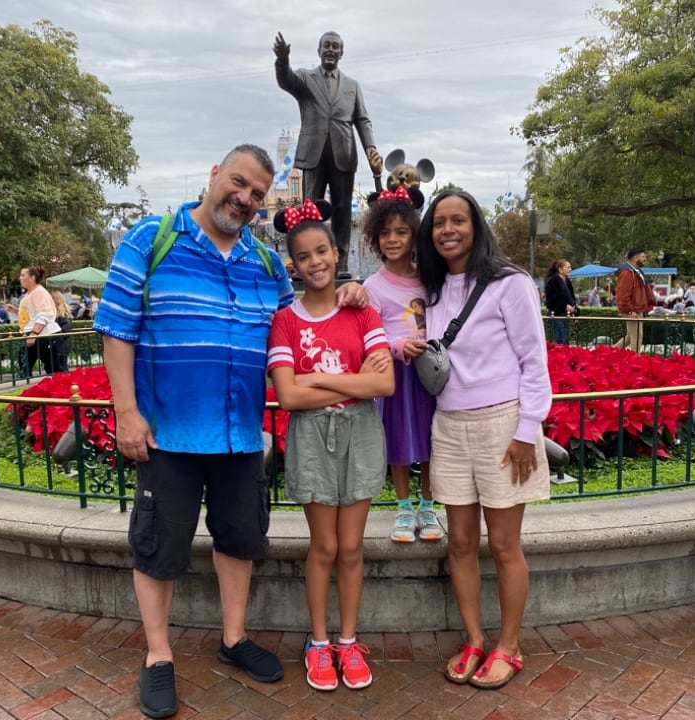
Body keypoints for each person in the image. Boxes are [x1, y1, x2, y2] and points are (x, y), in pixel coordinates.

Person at [92, 144, 371, 719]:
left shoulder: (264, 264)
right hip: (167, 432)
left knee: (239, 540)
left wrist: (348, 294)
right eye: (238, 183)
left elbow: (299, 322)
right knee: (159, 546)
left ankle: (234, 637)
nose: (244, 199)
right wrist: (126, 412)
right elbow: (117, 329)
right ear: (215, 173)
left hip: (240, 435)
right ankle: (158, 656)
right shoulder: (151, 238)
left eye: (257, 195)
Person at [415, 190, 551, 690]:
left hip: (502, 422)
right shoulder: (429, 289)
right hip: (449, 425)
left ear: (476, 226)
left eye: (458, 220)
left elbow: (535, 361)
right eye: (439, 223)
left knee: (504, 545)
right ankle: (474, 638)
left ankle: (509, 645)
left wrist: (525, 430)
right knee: (462, 544)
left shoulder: (509, 284)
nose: (448, 230)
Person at [267, 199, 394, 691]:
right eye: (303, 256)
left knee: (352, 546)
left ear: (336, 252)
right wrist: (352, 378)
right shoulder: (286, 322)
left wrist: (319, 379)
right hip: (312, 439)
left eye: (322, 251)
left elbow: (383, 386)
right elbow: (288, 395)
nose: (315, 262)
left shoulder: (360, 311)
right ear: (293, 263)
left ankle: (347, 639)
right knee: (324, 545)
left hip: (361, 433)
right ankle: (318, 643)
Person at [361, 190, 442, 543]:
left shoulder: (431, 278)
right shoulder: (373, 286)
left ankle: (428, 505)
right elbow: (372, 333)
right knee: (399, 440)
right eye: (385, 233)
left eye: (401, 232)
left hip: (431, 373)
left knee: (431, 440)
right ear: (375, 237)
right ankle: (404, 507)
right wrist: (397, 346)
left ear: (413, 234)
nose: (392, 240)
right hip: (396, 375)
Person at [273, 30, 383, 277]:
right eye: (326, 45)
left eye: (335, 46)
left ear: (342, 53)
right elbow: (286, 80)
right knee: (310, 208)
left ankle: (341, 264)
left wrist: (371, 149)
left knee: (343, 208)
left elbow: (363, 121)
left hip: (344, 153)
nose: (331, 49)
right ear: (319, 51)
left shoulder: (353, 86)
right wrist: (282, 61)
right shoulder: (306, 78)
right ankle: (308, 261)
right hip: (313, 154)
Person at [7, 267, 62, 377]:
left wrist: (34, 334)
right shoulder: (30, 293)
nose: (20, 278)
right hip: (34, 336)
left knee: (54, 370)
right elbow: (33, 313)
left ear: (32, 277)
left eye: (23, 275)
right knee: (24, 368)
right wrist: (16, 310)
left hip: (44, 336)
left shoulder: (39, 292)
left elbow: (44, 314)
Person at [613, 247, 656, 352]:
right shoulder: (627, 272)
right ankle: (634, 361)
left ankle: (607, 352)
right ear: (635, 257)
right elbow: (623, 294)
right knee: (637, 337)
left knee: (630, 336)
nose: (645, 258)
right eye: (643, 256)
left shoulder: (635, 271)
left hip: (636, 309)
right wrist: (629, 310)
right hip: (633, 310)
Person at [543, 259, 577, 344]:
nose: (570, 269)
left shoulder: (567, 281)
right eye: (568, 267)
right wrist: (564, 305)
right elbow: (551, 300)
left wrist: (574, 311)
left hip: (565, 314)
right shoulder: (553, 281)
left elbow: (570, 297)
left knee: (564, 340)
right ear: (560, 269)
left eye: (570, 267)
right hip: (556, 314)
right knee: (559, 340)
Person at [49, 290, 73, 373]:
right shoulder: (54, 313)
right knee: (56, 369)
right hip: (56, 345)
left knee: (61, 369)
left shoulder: (63, 314)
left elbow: (66, 329)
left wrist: (55, 334)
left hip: (60, 346)